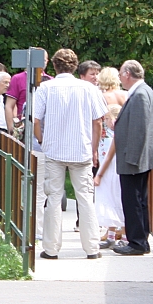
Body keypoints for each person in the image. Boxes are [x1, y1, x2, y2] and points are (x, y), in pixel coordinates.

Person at [33, 48, 108, 259]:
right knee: (85, 198)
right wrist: (93, 149)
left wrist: (41, 140)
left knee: (53, 198)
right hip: (81, 150)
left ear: (54, 66)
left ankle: (51, 248)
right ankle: (92, 248)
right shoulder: (89, 89)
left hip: (54, 150)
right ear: (75, 67)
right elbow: (98, 122)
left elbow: (36, 120)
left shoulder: (45, 88)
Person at [112, 60, 153, 256]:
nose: (119, 78)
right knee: (139, 200)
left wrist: (132, 158)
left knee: (132, 200)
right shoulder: (149, 92)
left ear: (127, 74)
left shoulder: (140, 95)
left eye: (120, 74)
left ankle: (137, 242)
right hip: (142, 156)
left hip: (134, 158)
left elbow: (139, 129)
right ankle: (141, 239)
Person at [5, 49, 51, 233]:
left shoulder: (50, 81)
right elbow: (9, 106)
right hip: (27, 138)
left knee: (41, 185)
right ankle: (29, 224)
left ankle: (36, 226)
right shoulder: (18, 79)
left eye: (45, 60)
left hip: (44, 140)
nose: (42, 63)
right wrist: (13, 131)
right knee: (28, 181)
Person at [94, 104, 125, 247]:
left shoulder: (117, 135)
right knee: (109, 200)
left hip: (112, 171)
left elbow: (109, 157)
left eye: (107, 118)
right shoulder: (106, 134)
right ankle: (111, 234)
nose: (105, 122)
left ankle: (124, 234)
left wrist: (99, 174)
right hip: (107, 171)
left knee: (117, 200)